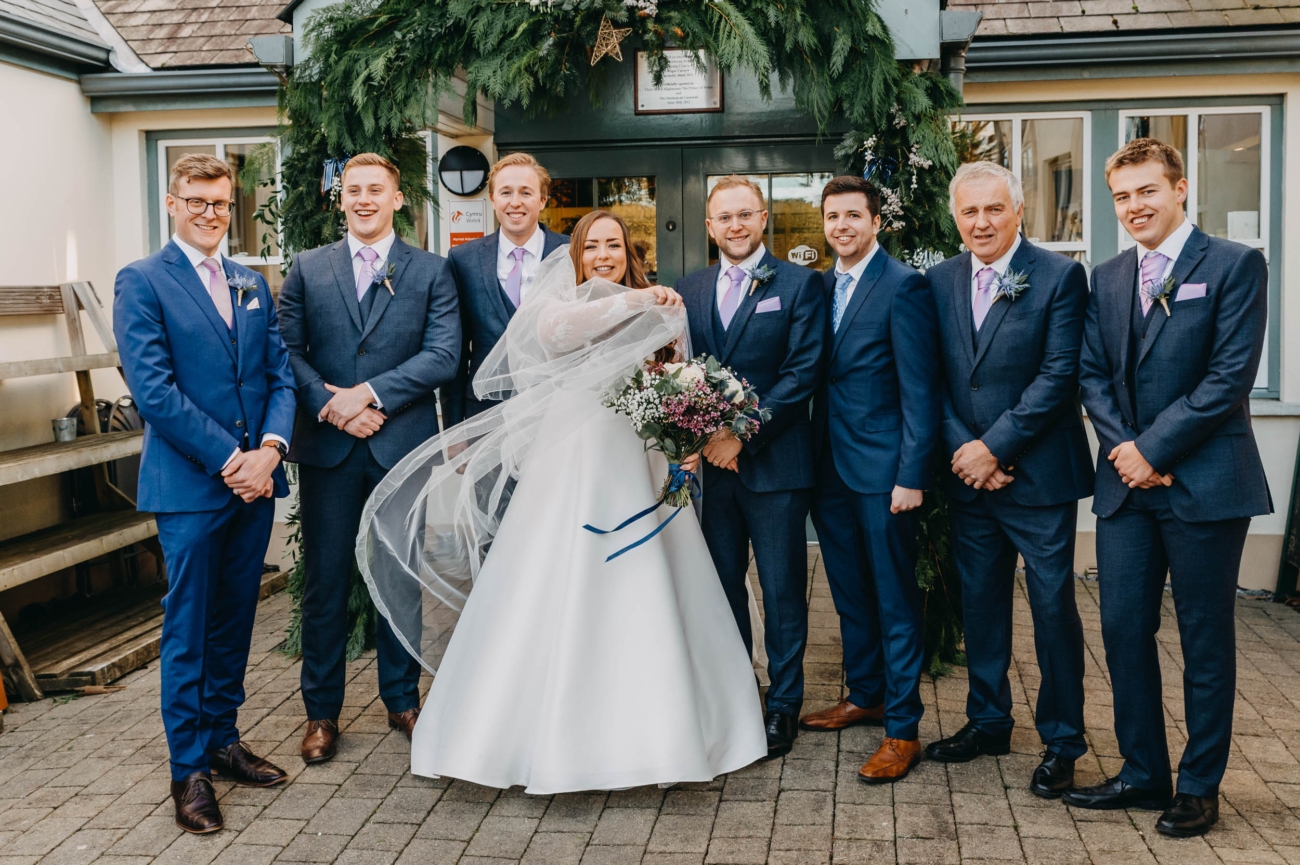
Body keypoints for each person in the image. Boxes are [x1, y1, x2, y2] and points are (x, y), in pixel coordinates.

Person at [358, 210, 767, 793]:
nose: (604, 255)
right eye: (593, 246)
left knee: (654, 580)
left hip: (643, 461)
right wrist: (639, 300)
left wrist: (689, 439)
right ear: (575, 255)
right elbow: (560, 333)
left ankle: (667, 730)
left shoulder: (664, 306)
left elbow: (678, 376)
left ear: (631, 250)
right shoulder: (556, 307)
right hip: (573, 461)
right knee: (556, 576)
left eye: (615, 245)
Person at [1068, 138, 1270, 838]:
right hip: (1127, 486)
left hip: (1205, 481)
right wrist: (1126, 452)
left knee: (1204, 634)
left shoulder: (1236, 264)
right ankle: (1142, 768)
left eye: (1147, 191)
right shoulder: (1108, 274)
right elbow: (1092, 372)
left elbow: (1229, 378)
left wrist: (1153, 449)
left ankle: (1199, 783)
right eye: (1122, 196)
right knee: (1123, 628)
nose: (1134, 207)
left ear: (1181, 188)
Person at [114, 153, 296, 833]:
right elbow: (154, 391)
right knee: (187, 628)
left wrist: (270, 451)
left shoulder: (251, 282)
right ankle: (187, 768)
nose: (211, 213)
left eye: (220, 203)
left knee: (234, 621)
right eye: (197, 201)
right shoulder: (142, 280)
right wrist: (232, 458)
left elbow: (280, 375)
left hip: (256, 482)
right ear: (172, 203)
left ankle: (222, 739)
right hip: (191, 486)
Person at [277, 153, 461, 764]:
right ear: (341, 199)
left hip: (399, 446)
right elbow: (287, 351)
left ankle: (402, 699)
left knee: (399, 576)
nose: (363, 199)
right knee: (326, 583)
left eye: (375, 190)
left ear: (397, 199)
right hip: (331, 449)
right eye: (353, 190)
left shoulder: (431, 271)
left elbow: (443, 355)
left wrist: (371, 394)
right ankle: (321, 714)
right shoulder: (307, 268)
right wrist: (334, 406)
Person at [921, 162, 1094, 798]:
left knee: (1052, 607)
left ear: (1018, 210)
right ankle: (988, 721)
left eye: (994, 209)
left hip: (1039, 476)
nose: (981, 222)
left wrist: (993, 448)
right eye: (969, 212)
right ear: (955, 216)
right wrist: (963, 451)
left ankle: (1063, 741)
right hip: (969, 477)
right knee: (981, 605)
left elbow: (1059, 376)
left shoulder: (1058, 276)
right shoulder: (937, 281)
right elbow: (930, 378)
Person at [674, 176, 827, 758]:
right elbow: (679, 373)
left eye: (746, 215)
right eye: (724, 218)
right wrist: (690, 438)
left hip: (774, 467)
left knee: (783, 590)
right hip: (711, 475)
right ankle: (738, 693)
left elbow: (802, 374)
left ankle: (783, 704)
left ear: (763, 220)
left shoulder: (799, 284)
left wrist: (740, 436)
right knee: (722, 588)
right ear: (710, 227)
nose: (735, 226)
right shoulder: (688, 288)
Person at [797, 176, 939, 783]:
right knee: (849, 592)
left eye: (854, 215)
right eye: (833, 217)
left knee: (894, 598)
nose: (842, 227)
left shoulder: (903, 286)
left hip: (884, 474)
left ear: (876, 221)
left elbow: (921, 390)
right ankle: (865, 694)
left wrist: (912, 474)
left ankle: (902, 728)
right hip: (827, 468)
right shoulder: (820, 286)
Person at [439, 152, 568, 427]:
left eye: (526, 193)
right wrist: (455, 431)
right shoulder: (463, 259)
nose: (515, 202)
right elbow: (457, 353)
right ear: (493, 199)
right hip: (485, 415)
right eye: (506, 192)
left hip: (557, 412)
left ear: (542, 200)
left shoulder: (570, 252)